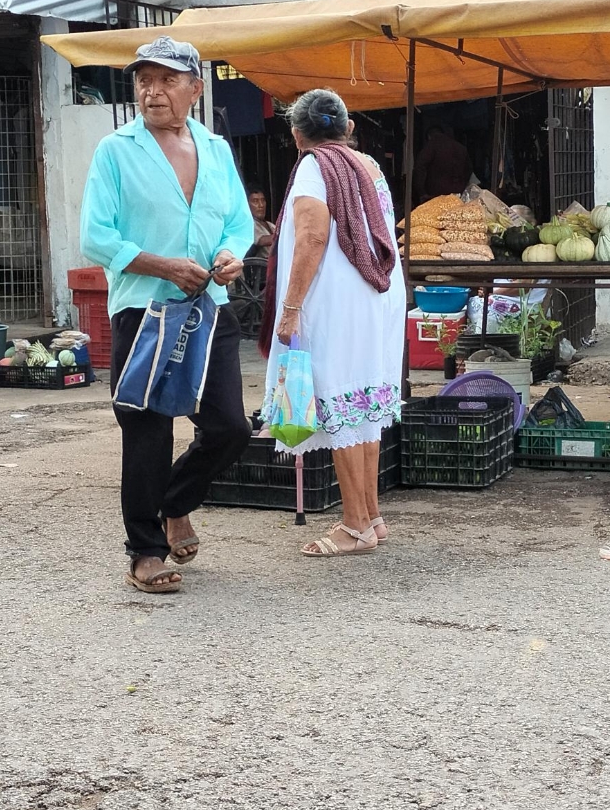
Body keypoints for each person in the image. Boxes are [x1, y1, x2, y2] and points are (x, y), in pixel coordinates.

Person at [80, 35, 253, 594]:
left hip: (209, 306)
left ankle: (175, 503)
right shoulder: (116, 150)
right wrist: (162, 266)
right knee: (148, 429)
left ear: (195, 88)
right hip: (143, 307)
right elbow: (95, 236)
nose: (152, 92)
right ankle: (145, 551)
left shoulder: (216, 149)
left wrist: (231, 255)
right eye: (143, 81)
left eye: (167, 80)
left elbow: (237, 222)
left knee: (229, 427)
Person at [262, 89, 404, 557]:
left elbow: (312, 236)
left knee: (343, 398)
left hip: (337, 300)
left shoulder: (312, 166)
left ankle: (354, 525)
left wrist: (290, 307)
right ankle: (371, 516)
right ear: (347, 128)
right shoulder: (370, 166)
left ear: (296, 133)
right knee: (364, 402)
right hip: (377, 294)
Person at [415, 123, 474, 201]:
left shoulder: (432, 145)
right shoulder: (460, 147)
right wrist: (462, 185)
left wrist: (421, 192)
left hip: (436, 191)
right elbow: (469, 169)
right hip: (457, 190)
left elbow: (420, 166)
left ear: (429, 136)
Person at [247, 187, 275, 257]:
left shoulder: (270, 225)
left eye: (263, 200)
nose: (261, 205)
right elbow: (261, 241)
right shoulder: (248, 225)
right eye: (255, 201)